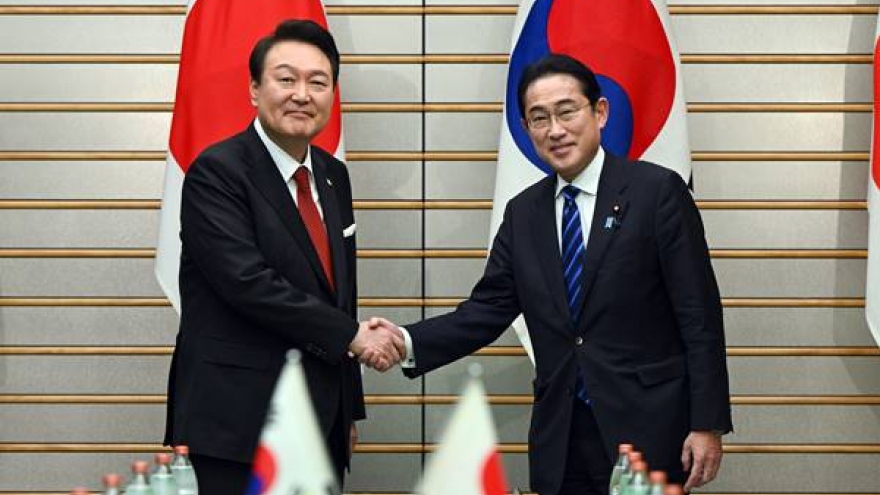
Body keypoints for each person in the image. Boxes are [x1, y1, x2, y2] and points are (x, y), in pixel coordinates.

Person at [366, 54, 733, 495]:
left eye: (566, 111)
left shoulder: (657, 192)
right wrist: (404, 341)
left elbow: (699, 315)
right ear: (526, 129)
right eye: (539, 118)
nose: (555, 130)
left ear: (599, 112)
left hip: (646, 429)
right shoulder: (523, 214)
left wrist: (707, 422)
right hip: (562, 436)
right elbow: (486, 311)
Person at [163, 19, 403, 495]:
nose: (302, 94)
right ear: (255, 89)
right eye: (286, 79)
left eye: (318, 82)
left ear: (332, 94)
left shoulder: (333, 176)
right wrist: (353, 336)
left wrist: (348, 409)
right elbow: (247, 282)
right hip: (236, 425)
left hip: (321, 421)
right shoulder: (216, 172)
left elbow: (341, 294)